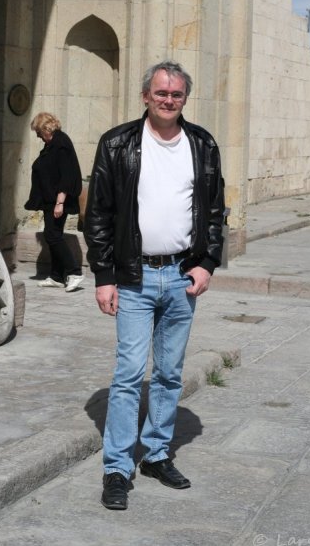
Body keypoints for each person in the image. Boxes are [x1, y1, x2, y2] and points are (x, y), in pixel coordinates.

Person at [84, 61, 225, 510]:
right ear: (145, 95)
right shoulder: (118, 143)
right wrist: (103, 276)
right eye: (161, 93)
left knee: (167, 373)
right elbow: (99, 215)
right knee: (128, 375)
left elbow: (216, 211)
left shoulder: (201, 144)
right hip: (133, 275)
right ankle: (117, 467)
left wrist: (207, 264)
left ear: (185, 98)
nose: (169, 100)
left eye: (177, 94)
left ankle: (157, 454)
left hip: (182, 276)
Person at [25, 112, 84, 292]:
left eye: (38, 131)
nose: (37, 135)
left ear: (45, 128)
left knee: (52, 235)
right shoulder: (52, 144)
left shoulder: (61, 143)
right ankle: (57, 276)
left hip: (58, 201)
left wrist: (60, 203)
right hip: (50, 200)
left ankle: (74, 272)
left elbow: (67, 175)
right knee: (53, 235)